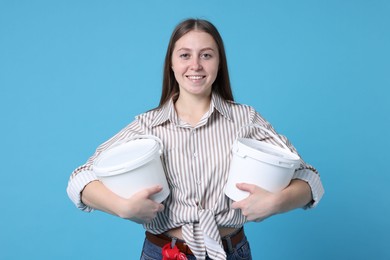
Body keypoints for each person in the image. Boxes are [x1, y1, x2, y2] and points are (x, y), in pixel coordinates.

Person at [67, 18, 324, 260]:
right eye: (185, 55)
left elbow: (309, 178)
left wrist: (277, 202)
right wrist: (122, 207)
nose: (196, 65)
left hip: (231, 251)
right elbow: (81, 178)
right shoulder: (147, 126)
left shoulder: (245, 119)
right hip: (164, 252)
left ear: (219, 63)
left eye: (206, 55)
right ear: (171, 63)